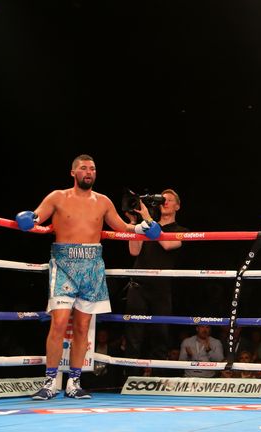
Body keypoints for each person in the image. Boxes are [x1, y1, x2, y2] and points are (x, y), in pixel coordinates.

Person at [16, 154, 161, 400]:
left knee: (83, 327)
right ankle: (50, 381)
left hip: (92, 264)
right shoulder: (57, 197)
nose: (89, 172)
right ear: (73, 172)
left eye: (92, 168)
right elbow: (38, 216)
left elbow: (121, 227)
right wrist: (29, 219)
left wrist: (142, 227)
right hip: (63, 263)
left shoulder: (103, 201)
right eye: (83, 168)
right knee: (59, 323)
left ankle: (74, 382)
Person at [123, 188, 188, 374]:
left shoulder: (181, 231)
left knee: (160, 333)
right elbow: (134, 251)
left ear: (178, 206)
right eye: (162, 200)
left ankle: (157, 379)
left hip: (161, 287)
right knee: (133, 333)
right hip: (139, 285)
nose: (165, 202)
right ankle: (129, 378)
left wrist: (148, 221)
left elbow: (167, 244)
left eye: (169, 200)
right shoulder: (147, 225)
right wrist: (134, 223)